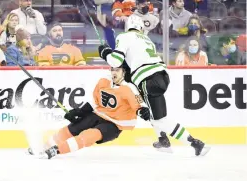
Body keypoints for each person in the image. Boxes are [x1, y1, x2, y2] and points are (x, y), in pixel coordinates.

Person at [98, 15, 210, 156]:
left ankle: (195, 143)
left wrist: (105, 52)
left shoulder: (125, 36)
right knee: (156, 114)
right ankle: (163, 141)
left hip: (148, 79)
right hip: (161, 76)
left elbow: (115, 61)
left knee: (159, 119)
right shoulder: (146, 40)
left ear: (128, 27)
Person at [29, 65, 150, 159]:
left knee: (90, 135)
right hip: (97, 115)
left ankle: (56, 150)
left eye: (117, 70)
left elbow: (139, 105)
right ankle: (43, 147)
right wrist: (79, 112)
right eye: (112, 69)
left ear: (124, 72)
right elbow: (95, 102)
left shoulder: (129, 88)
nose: (114, 72)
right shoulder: (104, 81)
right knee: (71, 129)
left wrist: (142, 111)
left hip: (114, 124)